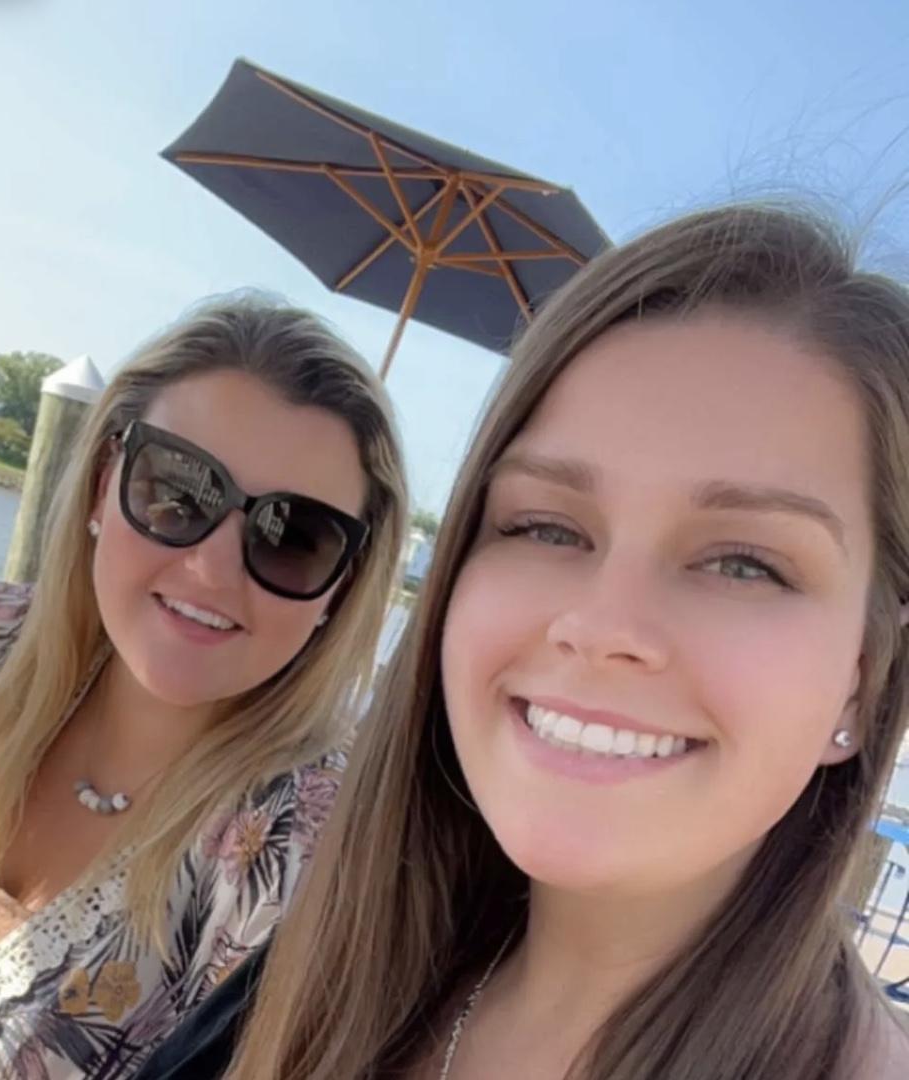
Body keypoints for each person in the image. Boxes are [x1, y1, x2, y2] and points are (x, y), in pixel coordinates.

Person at [145, 205, 909, 1080]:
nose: (600, 627)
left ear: (863, 680)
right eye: (546, 527)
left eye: (745, 564)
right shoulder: (331, 971)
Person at [0, 293, 407, 1078]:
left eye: (294, 537)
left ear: (344, 587)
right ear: (105, 484)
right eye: (180, 491)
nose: (211, 570)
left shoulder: (300, 847)